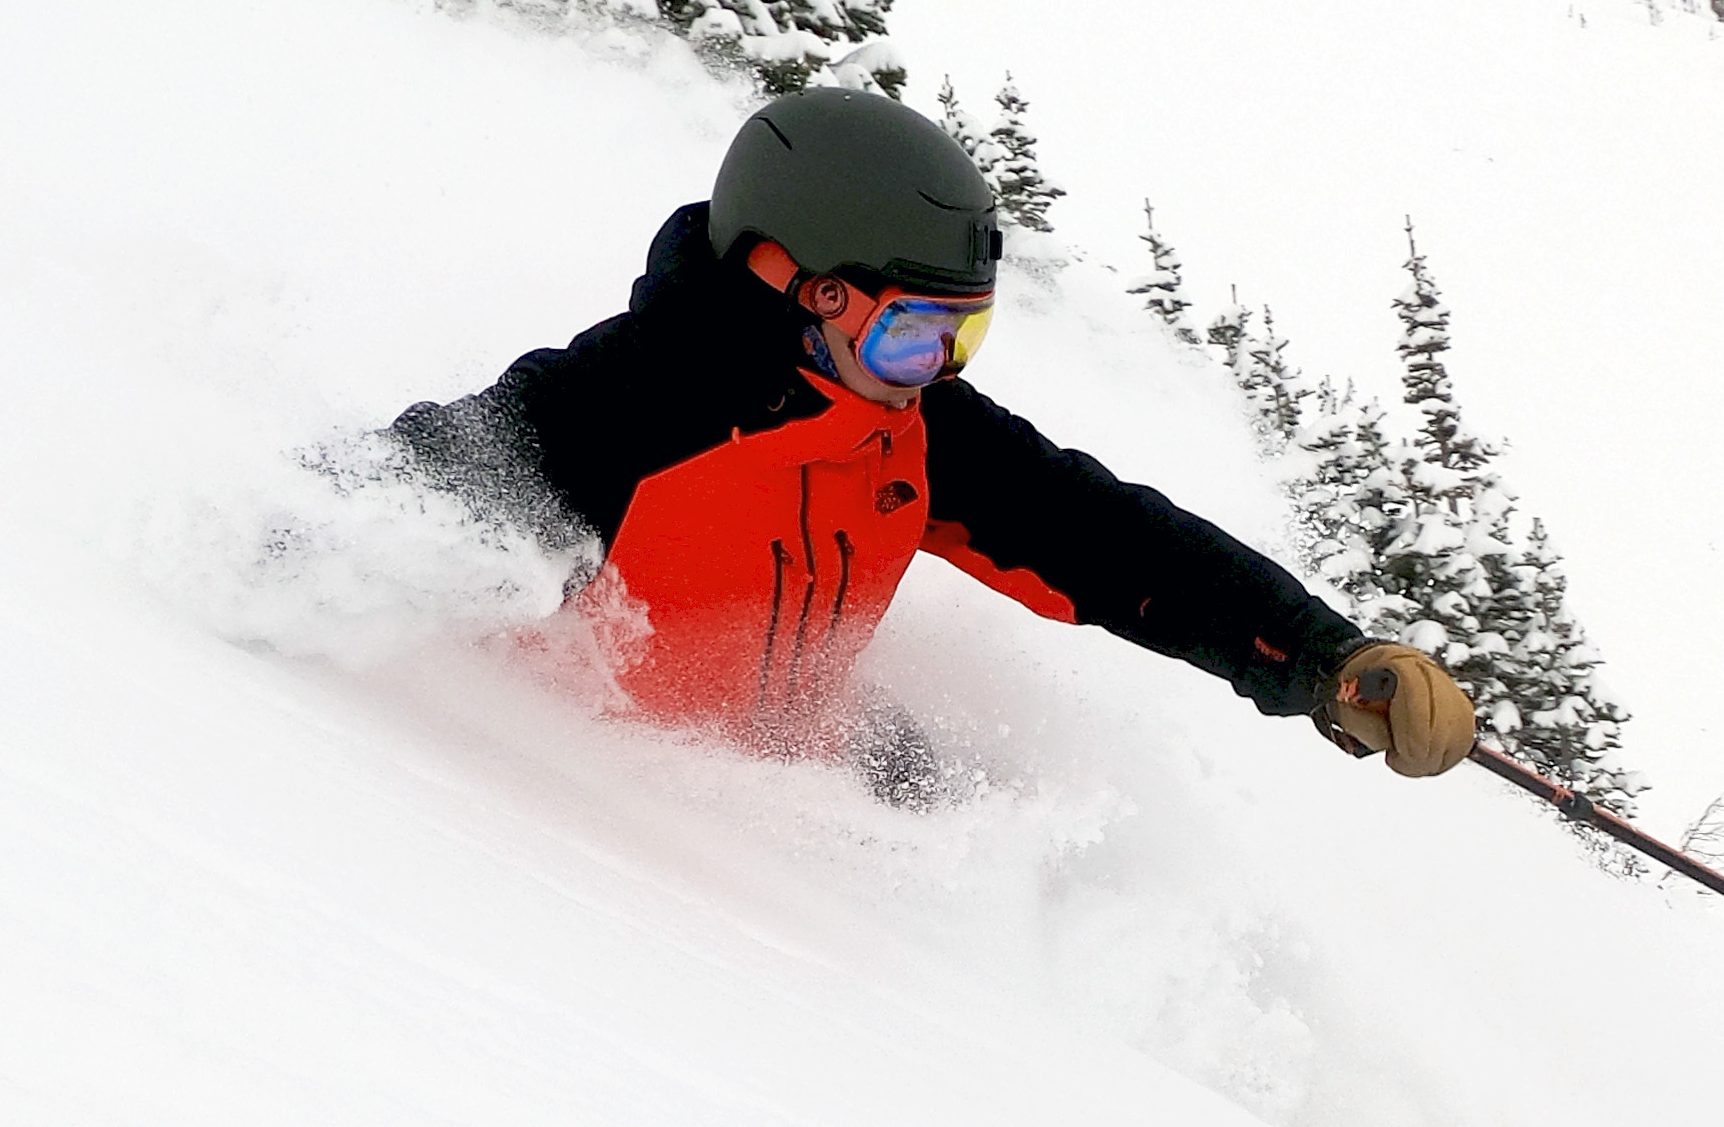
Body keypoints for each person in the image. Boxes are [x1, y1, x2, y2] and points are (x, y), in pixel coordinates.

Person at [391, 89, 1475, 782]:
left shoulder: (907, 427)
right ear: (800, 288)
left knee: (973, 807)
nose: (940, 373)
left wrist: (1331, 658)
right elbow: (371, 509)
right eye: (916, 334)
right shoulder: (621, 410)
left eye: (969, 334)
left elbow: (1109, 540)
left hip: (796, 767)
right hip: (580, 794)